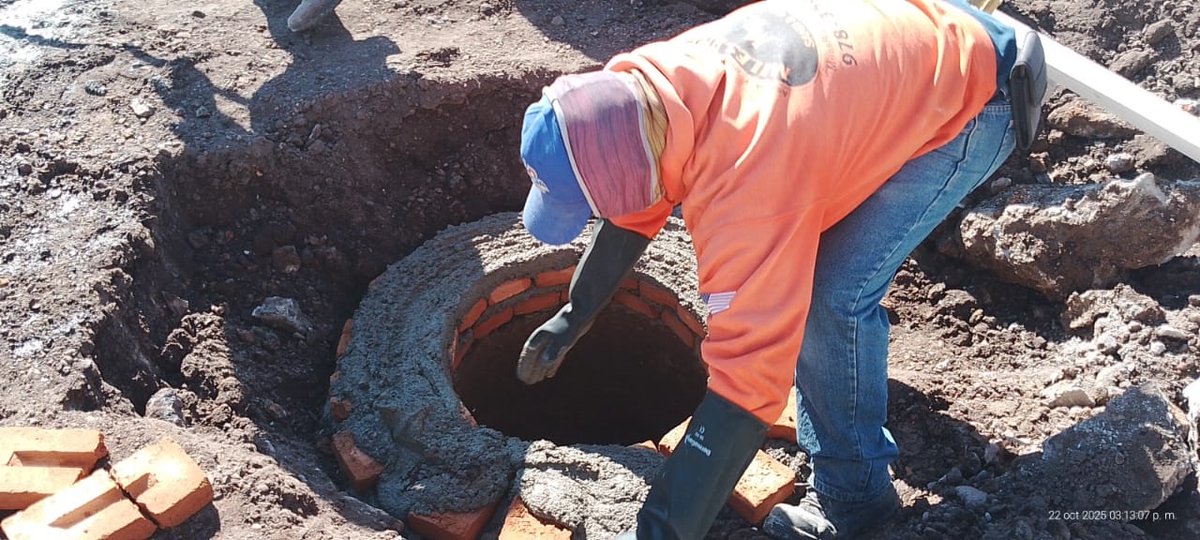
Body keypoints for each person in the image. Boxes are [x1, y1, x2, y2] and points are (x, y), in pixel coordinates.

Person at [514, 0, 1041, 538]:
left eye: (592, 206)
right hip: (914, 40)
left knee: (829, 297)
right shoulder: (650, 87)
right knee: (800, 263)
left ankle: (856, 503)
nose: (597, 217)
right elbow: (641, 186)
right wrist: (575, 313)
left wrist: (660, 532)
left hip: (978, 94)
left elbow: (749, 381)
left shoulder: (746, 189)